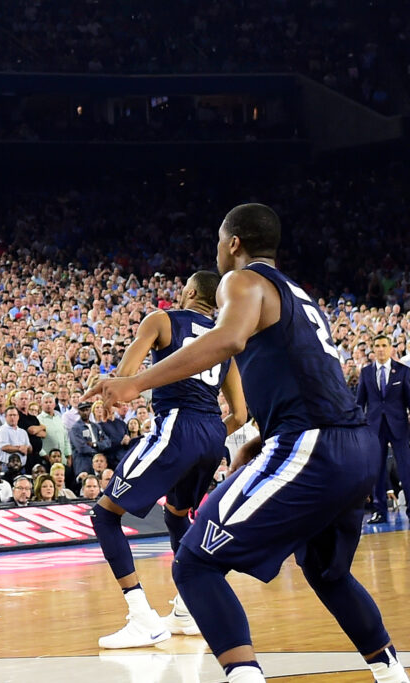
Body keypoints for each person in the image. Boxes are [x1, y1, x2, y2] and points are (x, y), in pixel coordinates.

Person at [84, 204, 408, 683]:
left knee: (193, 563)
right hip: (353, 446)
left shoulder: (242, 280)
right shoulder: (303, 297)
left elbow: (229, 339)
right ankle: (390, 673)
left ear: (233, 242)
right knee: (327, 573)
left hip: (310, 447)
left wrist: (135, 383)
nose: (218, 249)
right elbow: (315, 383)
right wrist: (256, 439)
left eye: (219, 239)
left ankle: (243, 676)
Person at [86, 270, 249, 649]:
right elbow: (240, 415)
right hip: (212, 433)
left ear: (189, 291)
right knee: (178, 516)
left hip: (179, 425)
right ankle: (187, 611)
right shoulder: (225, 341)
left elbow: (126, 375)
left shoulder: (162, 320)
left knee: (104, 515)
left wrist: (112, 391)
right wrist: (206, 438)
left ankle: (141, 617)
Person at [356, 334, 410, 523]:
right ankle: (380, 511)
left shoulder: (403, 371)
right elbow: (359, 402)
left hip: (399, 427)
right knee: (376, 471)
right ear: (373, 348)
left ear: (390, 348)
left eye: (384, 345)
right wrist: (360, 427)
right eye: (377, 345)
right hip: (374, 428)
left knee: (406, 469)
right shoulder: (366, 373)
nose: (380, 349)